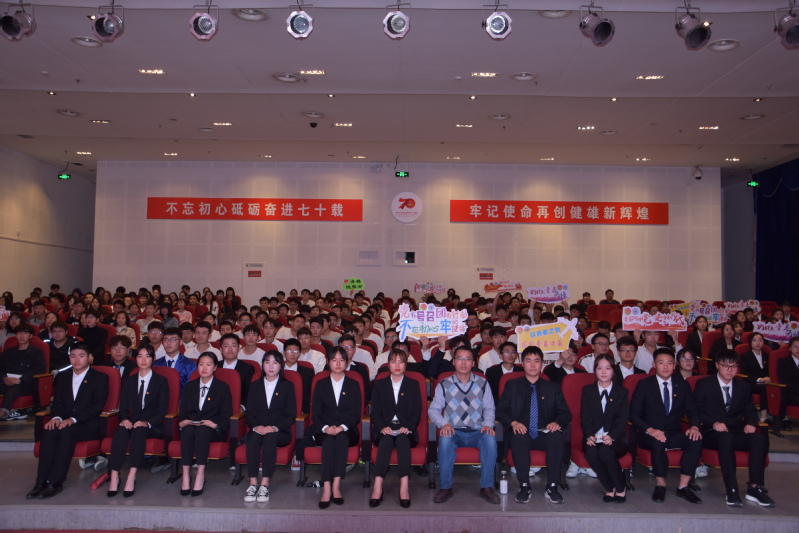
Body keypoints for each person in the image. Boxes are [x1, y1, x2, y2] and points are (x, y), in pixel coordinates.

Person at [25, 343, 109, 499]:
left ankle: (55, 482)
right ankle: (41, 481)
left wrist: (72, 419)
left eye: (81, 356)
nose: (77, 360)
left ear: (90, 358)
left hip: (88, 425)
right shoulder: (63, 377)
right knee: (49, 430)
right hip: (64, 422)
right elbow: (57, 403)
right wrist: (56, 418)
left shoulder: (100, 378)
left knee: (67, 432)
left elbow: (96, 407)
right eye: (73, 356)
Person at [693, 350, 774, 507]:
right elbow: (696, 411)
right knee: (726, 438)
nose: (730, 370)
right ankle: (732, 489)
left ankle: (754, 488)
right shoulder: (704, 384)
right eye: (726, 366)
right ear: (717, 365)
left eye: (734, 366)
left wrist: (751, 423)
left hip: (735, 431)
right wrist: (713, 423)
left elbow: (751, 411)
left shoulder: (743, 387)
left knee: (758, 439)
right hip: (711, 432)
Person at [497, 346, 571, 504]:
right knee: (518, 437)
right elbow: (500, 410)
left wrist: (557, 423)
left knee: (556, 437)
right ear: (522, 363)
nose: (532, 365)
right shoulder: (512, 385)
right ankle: (524, 486)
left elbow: (565, 413)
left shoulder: (553, 387)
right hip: (521, 431)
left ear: (542, 363)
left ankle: (552, 486)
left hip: (545, 432)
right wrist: (513, 422)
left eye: (536, 361)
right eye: (528, 361)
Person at [629, 348, 703, 504]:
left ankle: (683, 486)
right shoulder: (644, 385)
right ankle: (660, 485)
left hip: (673, 433)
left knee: (695, 439)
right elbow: (633, 414)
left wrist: (694, 427)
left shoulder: (682, 385)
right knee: (658, 440)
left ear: (674, 365)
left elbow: (693, 411)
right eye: (661, 363)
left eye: (669, 363)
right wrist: (650, 430)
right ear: (654, 364)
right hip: (649, 434)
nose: (665, 367)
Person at [429, 345, 500, 505]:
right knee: (445, 440)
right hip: (453, 431)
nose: (463, 363)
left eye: (468, 359)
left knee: (490, 440)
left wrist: (488, 424)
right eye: (460, 358)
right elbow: (433, 410)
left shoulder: (482, 383)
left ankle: (487, 487)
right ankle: (446, 487)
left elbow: (489, 409)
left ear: (473, 363)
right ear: (453, 361)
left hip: (477, 431)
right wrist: (444, 424)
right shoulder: (444, 384)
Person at [107, 344, 169, 497]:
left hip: (151, 425)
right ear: (135, 359)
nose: (143, 360)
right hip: (131, 421)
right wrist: (125, 419)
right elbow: (123, 407)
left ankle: (132, 475)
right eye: (140, 356)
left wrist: (147, 423)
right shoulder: (129, 381)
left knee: (139, 431)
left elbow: (162, 410)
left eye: (147, 356)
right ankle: (114, 475)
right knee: (121, 431)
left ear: (153, 359)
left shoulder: (161, 381)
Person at [369, 349, 421, 509]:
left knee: (403, 440)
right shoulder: (380, 384)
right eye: (393, 361)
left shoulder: (413, 384)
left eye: (401, 361)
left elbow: (416, 411)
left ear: (406, 364)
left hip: (406, 429)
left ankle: (404, 487)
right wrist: (382, 427)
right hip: (385, 428)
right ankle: (378, 486)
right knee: (385, 440)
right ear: (388, 364)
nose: (397, 365)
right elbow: (375, 412)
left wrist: (408, 427)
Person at [311, 346, 362, 509]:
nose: (338, 363)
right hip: (324, 429)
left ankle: (336, 486)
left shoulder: (353, 384)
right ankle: (326, 487)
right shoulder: (320, 384)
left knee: (341, 440)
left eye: (342, 360)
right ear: (328, 362)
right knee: (328, 442)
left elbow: (356, 414)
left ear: (347, 362)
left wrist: (342, 427)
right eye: (334, 360)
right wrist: (326, 427)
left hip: (348, 430)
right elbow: (315, 414)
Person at [243, 350, 296, 503]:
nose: (271, 366)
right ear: (262, 365)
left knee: (269, 438)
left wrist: (274, 427)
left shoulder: (288, 386)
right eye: (267, 362)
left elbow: (290, 415)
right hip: (258, 429)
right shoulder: (255, 386)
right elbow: (249, 413)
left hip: (280, 431)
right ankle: (253, 483)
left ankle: (265, 484)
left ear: (281, 366)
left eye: (275, 362)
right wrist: (256, 426)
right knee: (253, 439)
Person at [177, 352, 232, 496]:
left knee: (202, 431)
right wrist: (183, 422)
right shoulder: (190, 386)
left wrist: (214, 425)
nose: (204, 368)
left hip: (214, 429)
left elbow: (227, 415)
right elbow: (183, 412)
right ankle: (186, 474)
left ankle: (200, 474)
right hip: (193, 425)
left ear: (215, 367)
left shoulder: (222, 387)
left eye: (208, 364)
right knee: (188, 431)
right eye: (201, 364)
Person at [580, 353, 629, 503]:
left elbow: (622, 419)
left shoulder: (622, 392)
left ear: (613, 370)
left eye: (607, 368)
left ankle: (620, 488)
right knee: (591, 453)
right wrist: (589, 435)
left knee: (606, 452)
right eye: (599, 368)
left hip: (616, 438)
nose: (603, 372)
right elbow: (585, 416)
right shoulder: (588, 390)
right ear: (594, 370)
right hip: (594, 437)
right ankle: (609, 488)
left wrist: (612, 436)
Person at [0, 324, 46, 421]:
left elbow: (39, 370)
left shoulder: (37, 352)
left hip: (26, 384)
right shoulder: (8, 352)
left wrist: (20, 380)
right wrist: (4, 378)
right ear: (15, 335)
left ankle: (3, 413)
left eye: (25, 333)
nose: (22, 336)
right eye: (19, 333)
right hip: (7, 382)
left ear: (30, 336)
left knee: (12, 392)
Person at [219, 333, 254, 402]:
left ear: (239, 349)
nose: (230, 349)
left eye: (233, 346)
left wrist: (242, 406)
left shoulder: (247, 369)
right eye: (226, 346)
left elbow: (249, 393)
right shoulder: (215, 367)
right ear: (221, 349)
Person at [776, 336, 799, 431]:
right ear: (789, 348)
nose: (798, 349)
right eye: (795, 346)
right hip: (790, 393)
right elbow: (784, 381)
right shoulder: (783, 362)